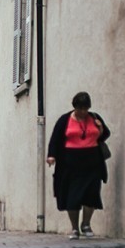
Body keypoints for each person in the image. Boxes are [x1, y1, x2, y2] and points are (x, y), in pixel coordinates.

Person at [46, 91, 111, 239]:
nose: (83, 112)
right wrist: (51, 155)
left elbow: (105, 135)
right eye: (80, 109)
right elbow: (55, 139)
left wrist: (100, 129)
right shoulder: (65, 120)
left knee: (92, 194)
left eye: (85, 109)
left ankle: (86, 224)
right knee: (72, 196)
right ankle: (74, 228)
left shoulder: (94, 118)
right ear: (74, 107)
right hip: (70, 163)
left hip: (93, 161)